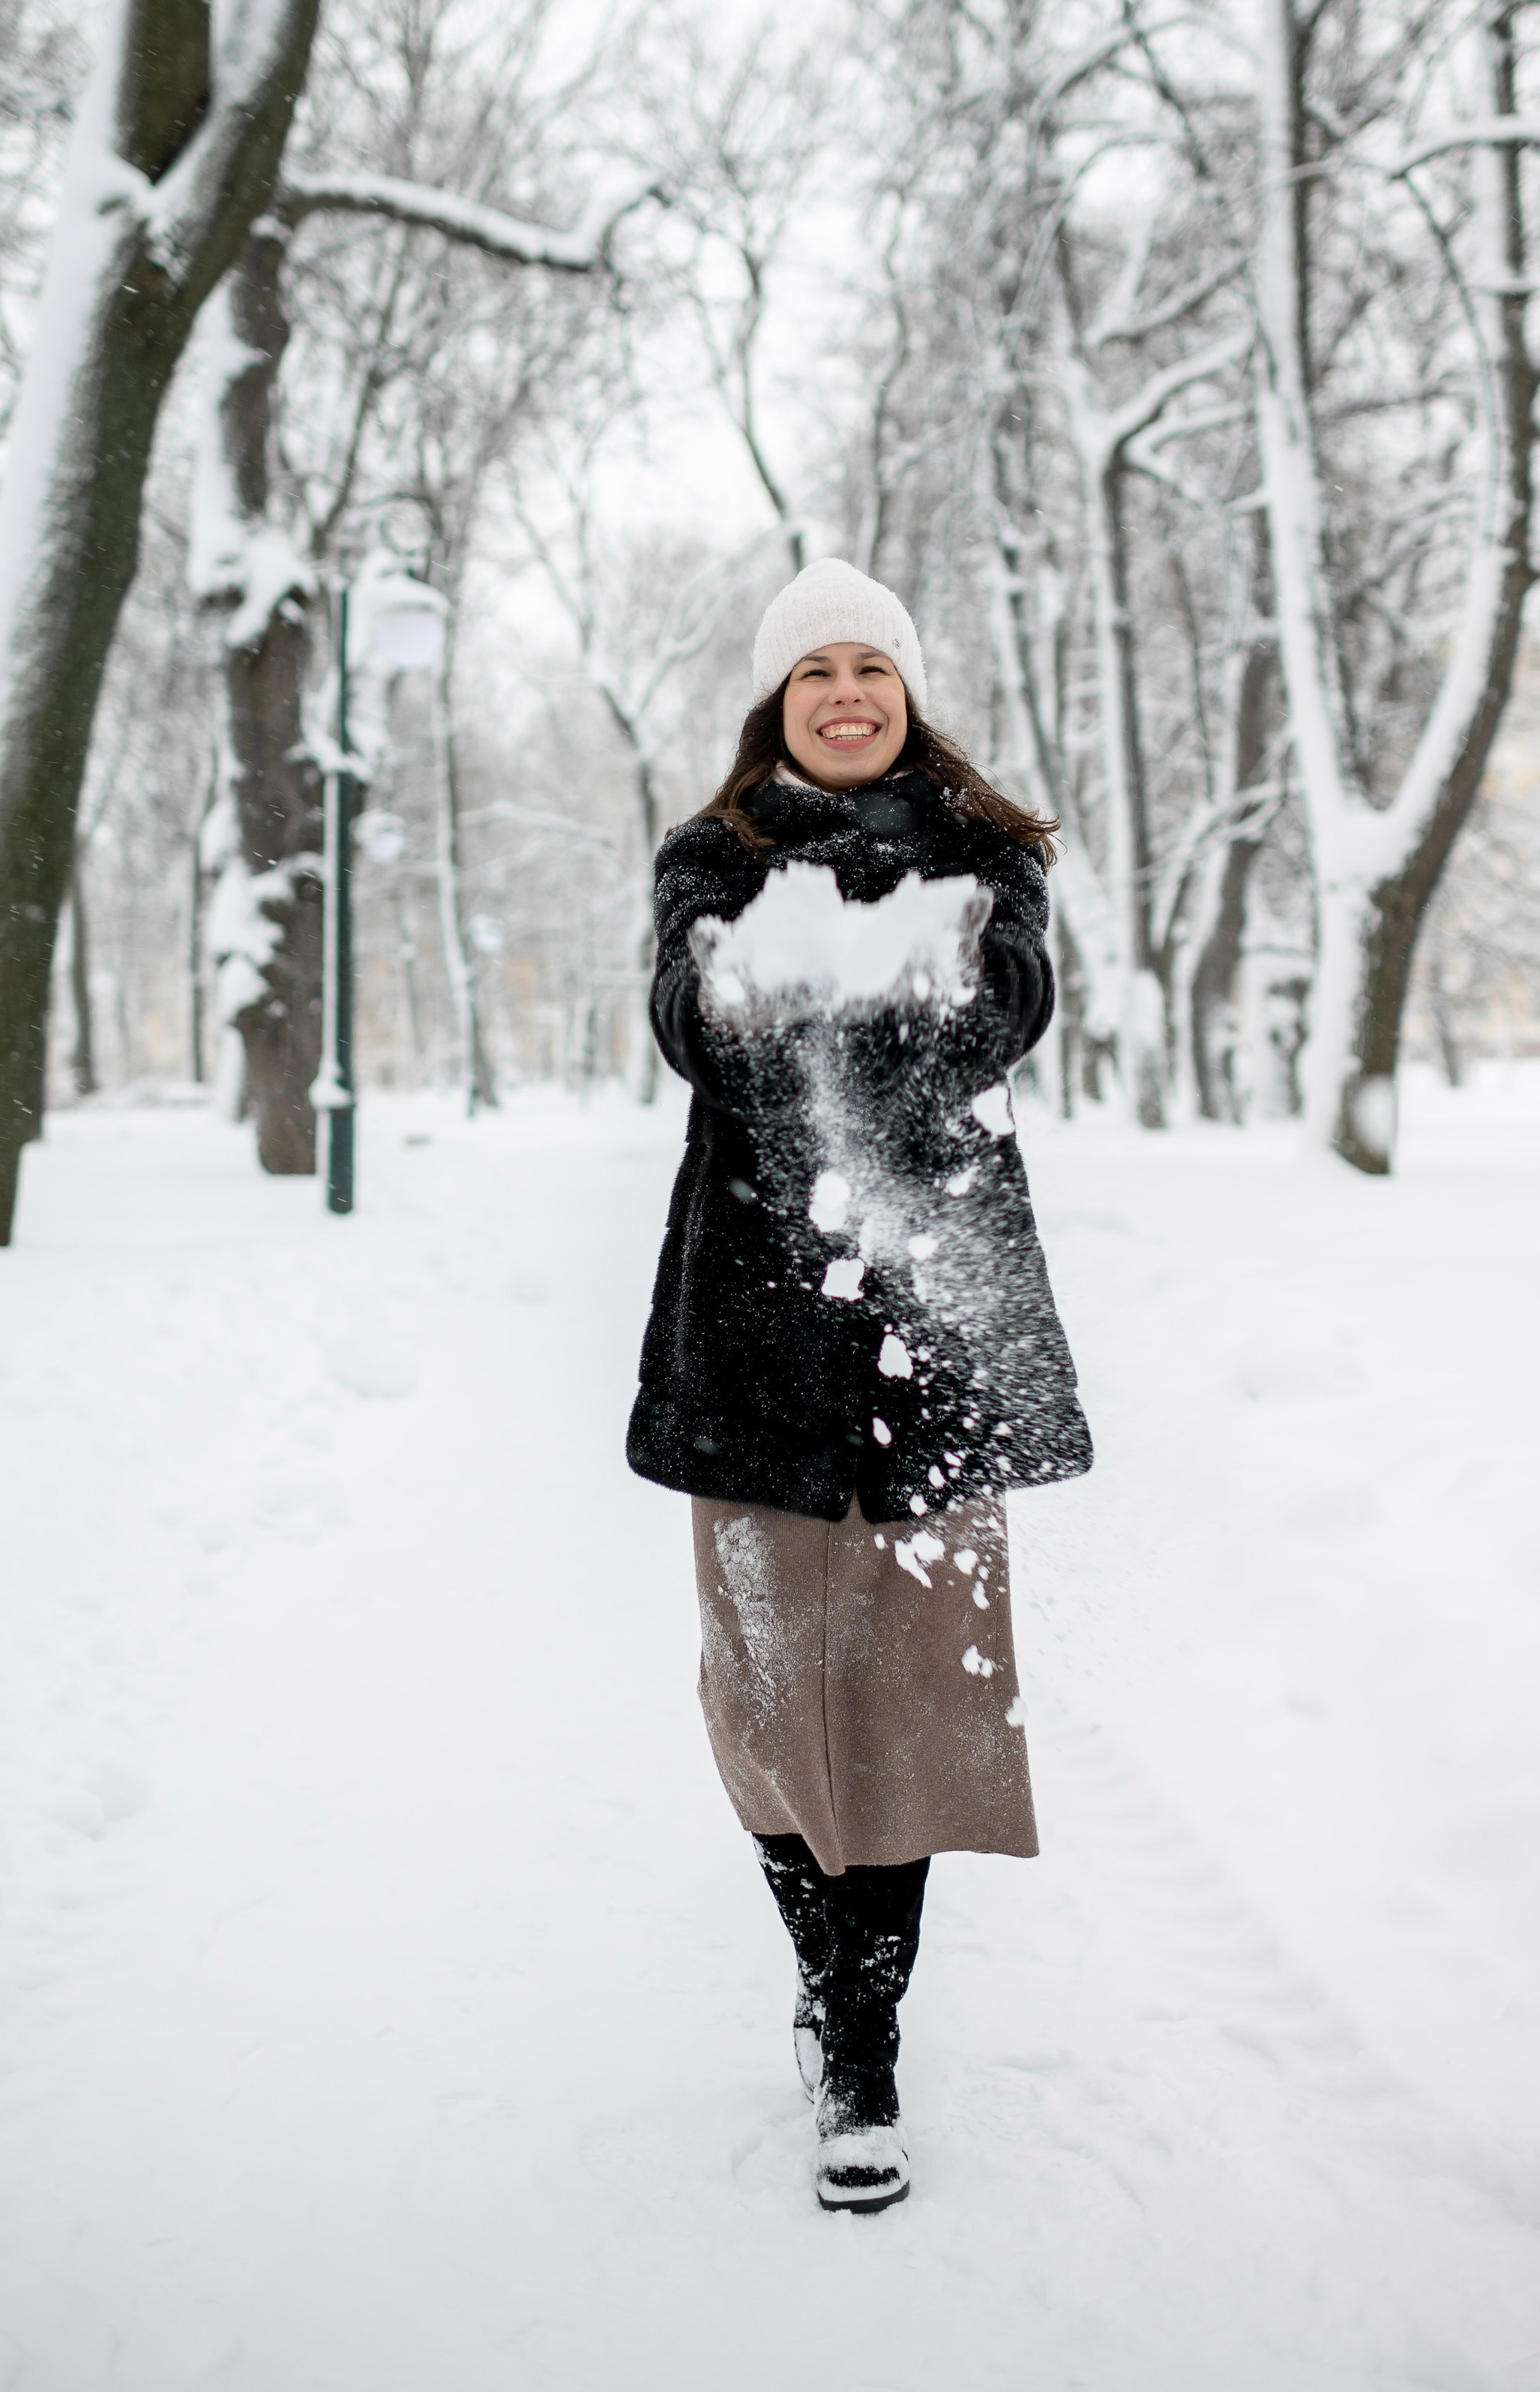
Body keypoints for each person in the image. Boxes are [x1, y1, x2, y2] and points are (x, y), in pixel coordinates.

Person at [628, 558, 1092, 2214]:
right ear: (778, 702)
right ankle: (825, 1978)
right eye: (814, 672)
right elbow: (704, 1030)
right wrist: (863, 972)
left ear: (905, 695)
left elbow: (999, 1011)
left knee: (905, 1715)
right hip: (754, 1347)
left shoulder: (990, 853)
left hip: (929, 1343)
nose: (844, 694)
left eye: (870, 670)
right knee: (769, 1705)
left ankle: (859, 2038)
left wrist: (842, 973)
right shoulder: (711, 855)